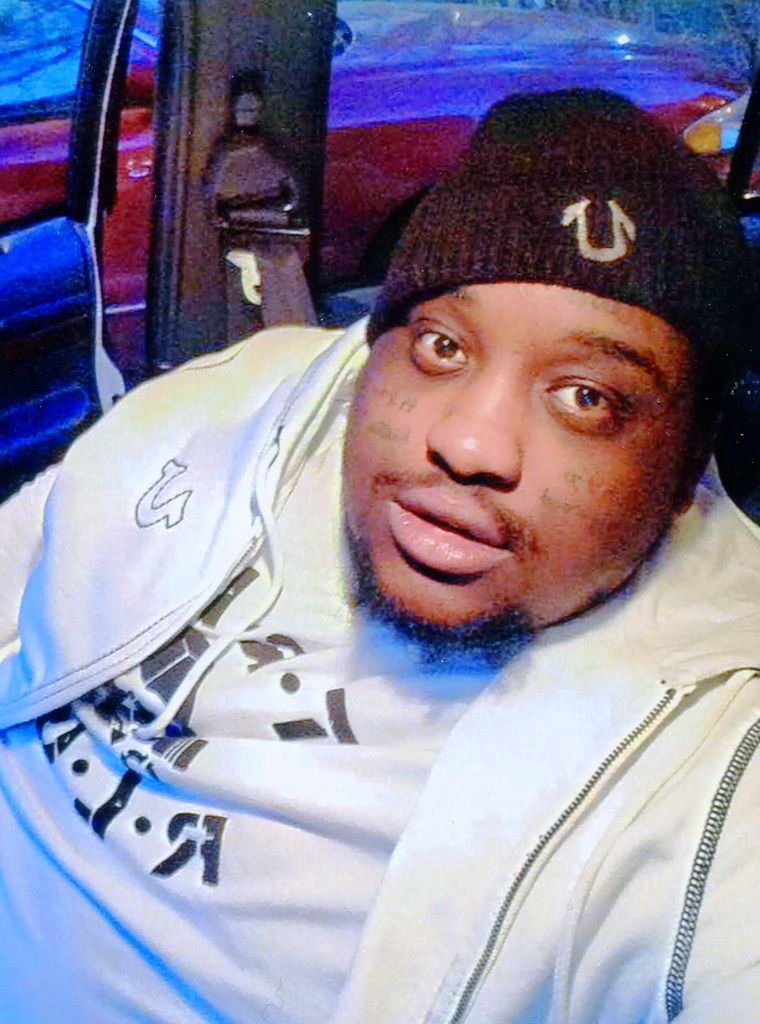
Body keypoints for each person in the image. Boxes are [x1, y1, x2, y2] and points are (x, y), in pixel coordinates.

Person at [0, 88, 759, 1023]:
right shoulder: (258, 395)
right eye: (442, 346)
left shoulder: (719, 753)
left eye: (585, 399)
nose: (471, 444)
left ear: (685, 471)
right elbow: (28, 554)